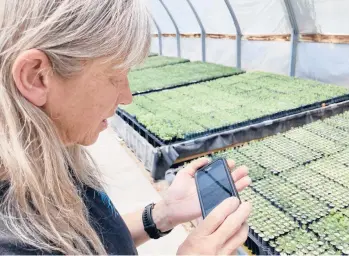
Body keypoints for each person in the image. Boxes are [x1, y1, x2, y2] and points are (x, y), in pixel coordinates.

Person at [0, 0, 252, 255]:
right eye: (114, 75)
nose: (126, 96)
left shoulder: (50, 149)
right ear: (36, 76)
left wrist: (162, 215)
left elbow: (92, 241)